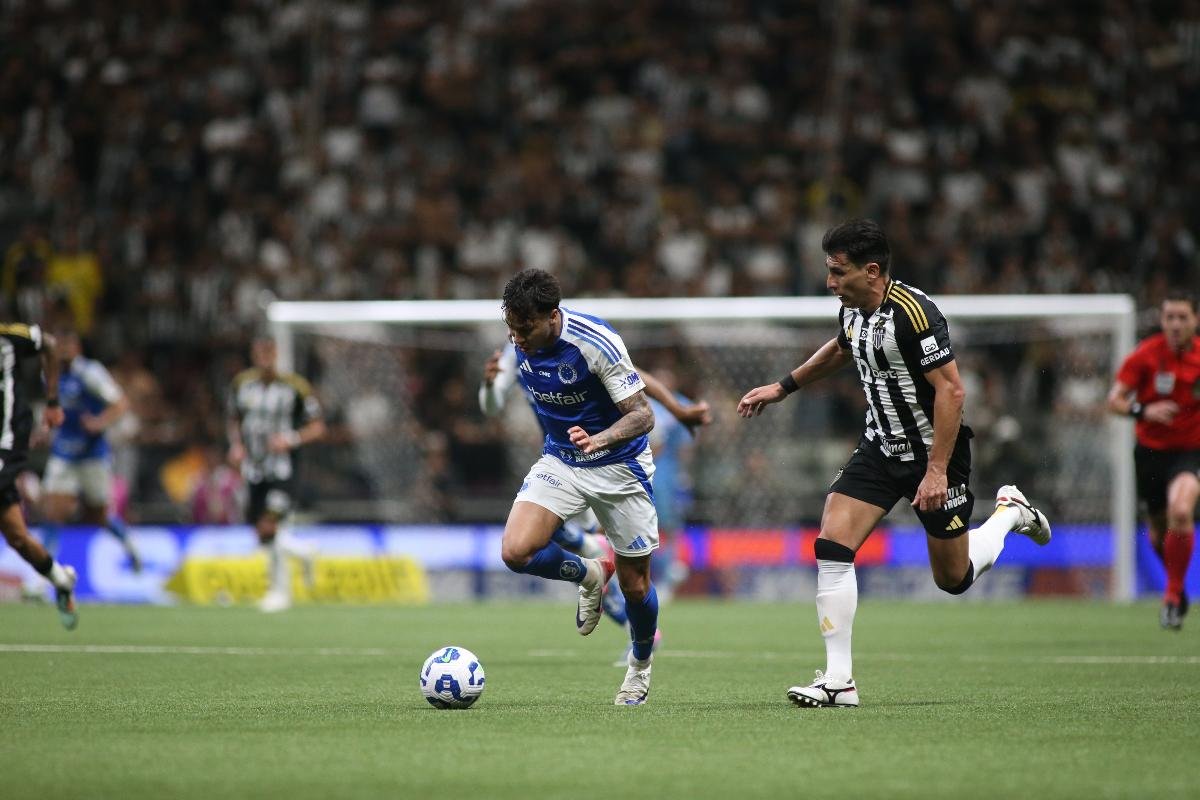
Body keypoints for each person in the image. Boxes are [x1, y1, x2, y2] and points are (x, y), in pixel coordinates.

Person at [737, 218, 1052, 708]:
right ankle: (839, 681)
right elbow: (842, 349)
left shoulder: (915, 314)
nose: (830, 283)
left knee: (953, 579)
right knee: (832, 544)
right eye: (829, 271)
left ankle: (1010, 512)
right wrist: (784, 386)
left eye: (839, 273)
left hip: (934, 455)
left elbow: (952, 390)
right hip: (880, 448)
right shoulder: (853, 309)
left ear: (873, 270)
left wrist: (936, 470)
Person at [480, 341, 710, 663]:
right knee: (543, 540)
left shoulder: (581, 343)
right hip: (562, 459)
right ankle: (592, 554)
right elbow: (490, 405)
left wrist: (677, 409)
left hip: (604, 459)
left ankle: (628, 609)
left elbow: (637, 378)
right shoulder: (513, 352)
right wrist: (490, 384)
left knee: (604, 562)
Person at [496, 268, 661, 705]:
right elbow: (492, 393)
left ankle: (640, 668)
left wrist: (600, 439)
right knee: (516, 550)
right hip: (561, 460)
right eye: (510, 328)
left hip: (619, 466)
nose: (517, 339)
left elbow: (643, 415)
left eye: (525, 328)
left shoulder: (594, 341)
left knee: (637, 585)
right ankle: (590, 572)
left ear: (552, 315)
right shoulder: (519, 341)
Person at [1106, 289, 1200, 630]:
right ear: (1162, 320)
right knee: (1159, 533)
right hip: (1149, 454)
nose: (1175, 324)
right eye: (1169, 317)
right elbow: (1114, 400)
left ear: (1195, 320)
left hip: (1190, 452)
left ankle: (1172, 596)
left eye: (1182, 317)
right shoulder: (1145, 355)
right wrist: (1143, 410)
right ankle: (1175, 584)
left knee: (1181, 511)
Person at [227, 336, 326, 612]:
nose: (265, 358)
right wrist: (236, 446)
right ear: (253, 354)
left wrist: (291, 439)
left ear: (277, 355)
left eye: (269, 353)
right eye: (260, 352)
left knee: (270, 524)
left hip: (283, 468)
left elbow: (318, 427)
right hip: (254, 468)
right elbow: (234, 419)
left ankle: (280, 593)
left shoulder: (295, 387)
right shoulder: (241, 384)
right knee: (261, 535)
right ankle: (303, 553)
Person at [40, 329, 140, 572]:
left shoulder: (90, 373)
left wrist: (99, 423)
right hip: (64, 453)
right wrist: (44, 429)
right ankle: (45, 574)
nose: (61, 350)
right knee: (53, 511)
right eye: (57, 345)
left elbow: (120, 403)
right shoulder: (50, 376)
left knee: (98, 516)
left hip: (92, 455)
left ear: (77, 348)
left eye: (66, 344)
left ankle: (130, 546)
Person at [0, 322, 78, 629]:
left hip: (7, 441)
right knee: (18, 537)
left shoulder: (9, 335)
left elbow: (48, 342)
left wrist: (53, 399)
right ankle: (60, 579)